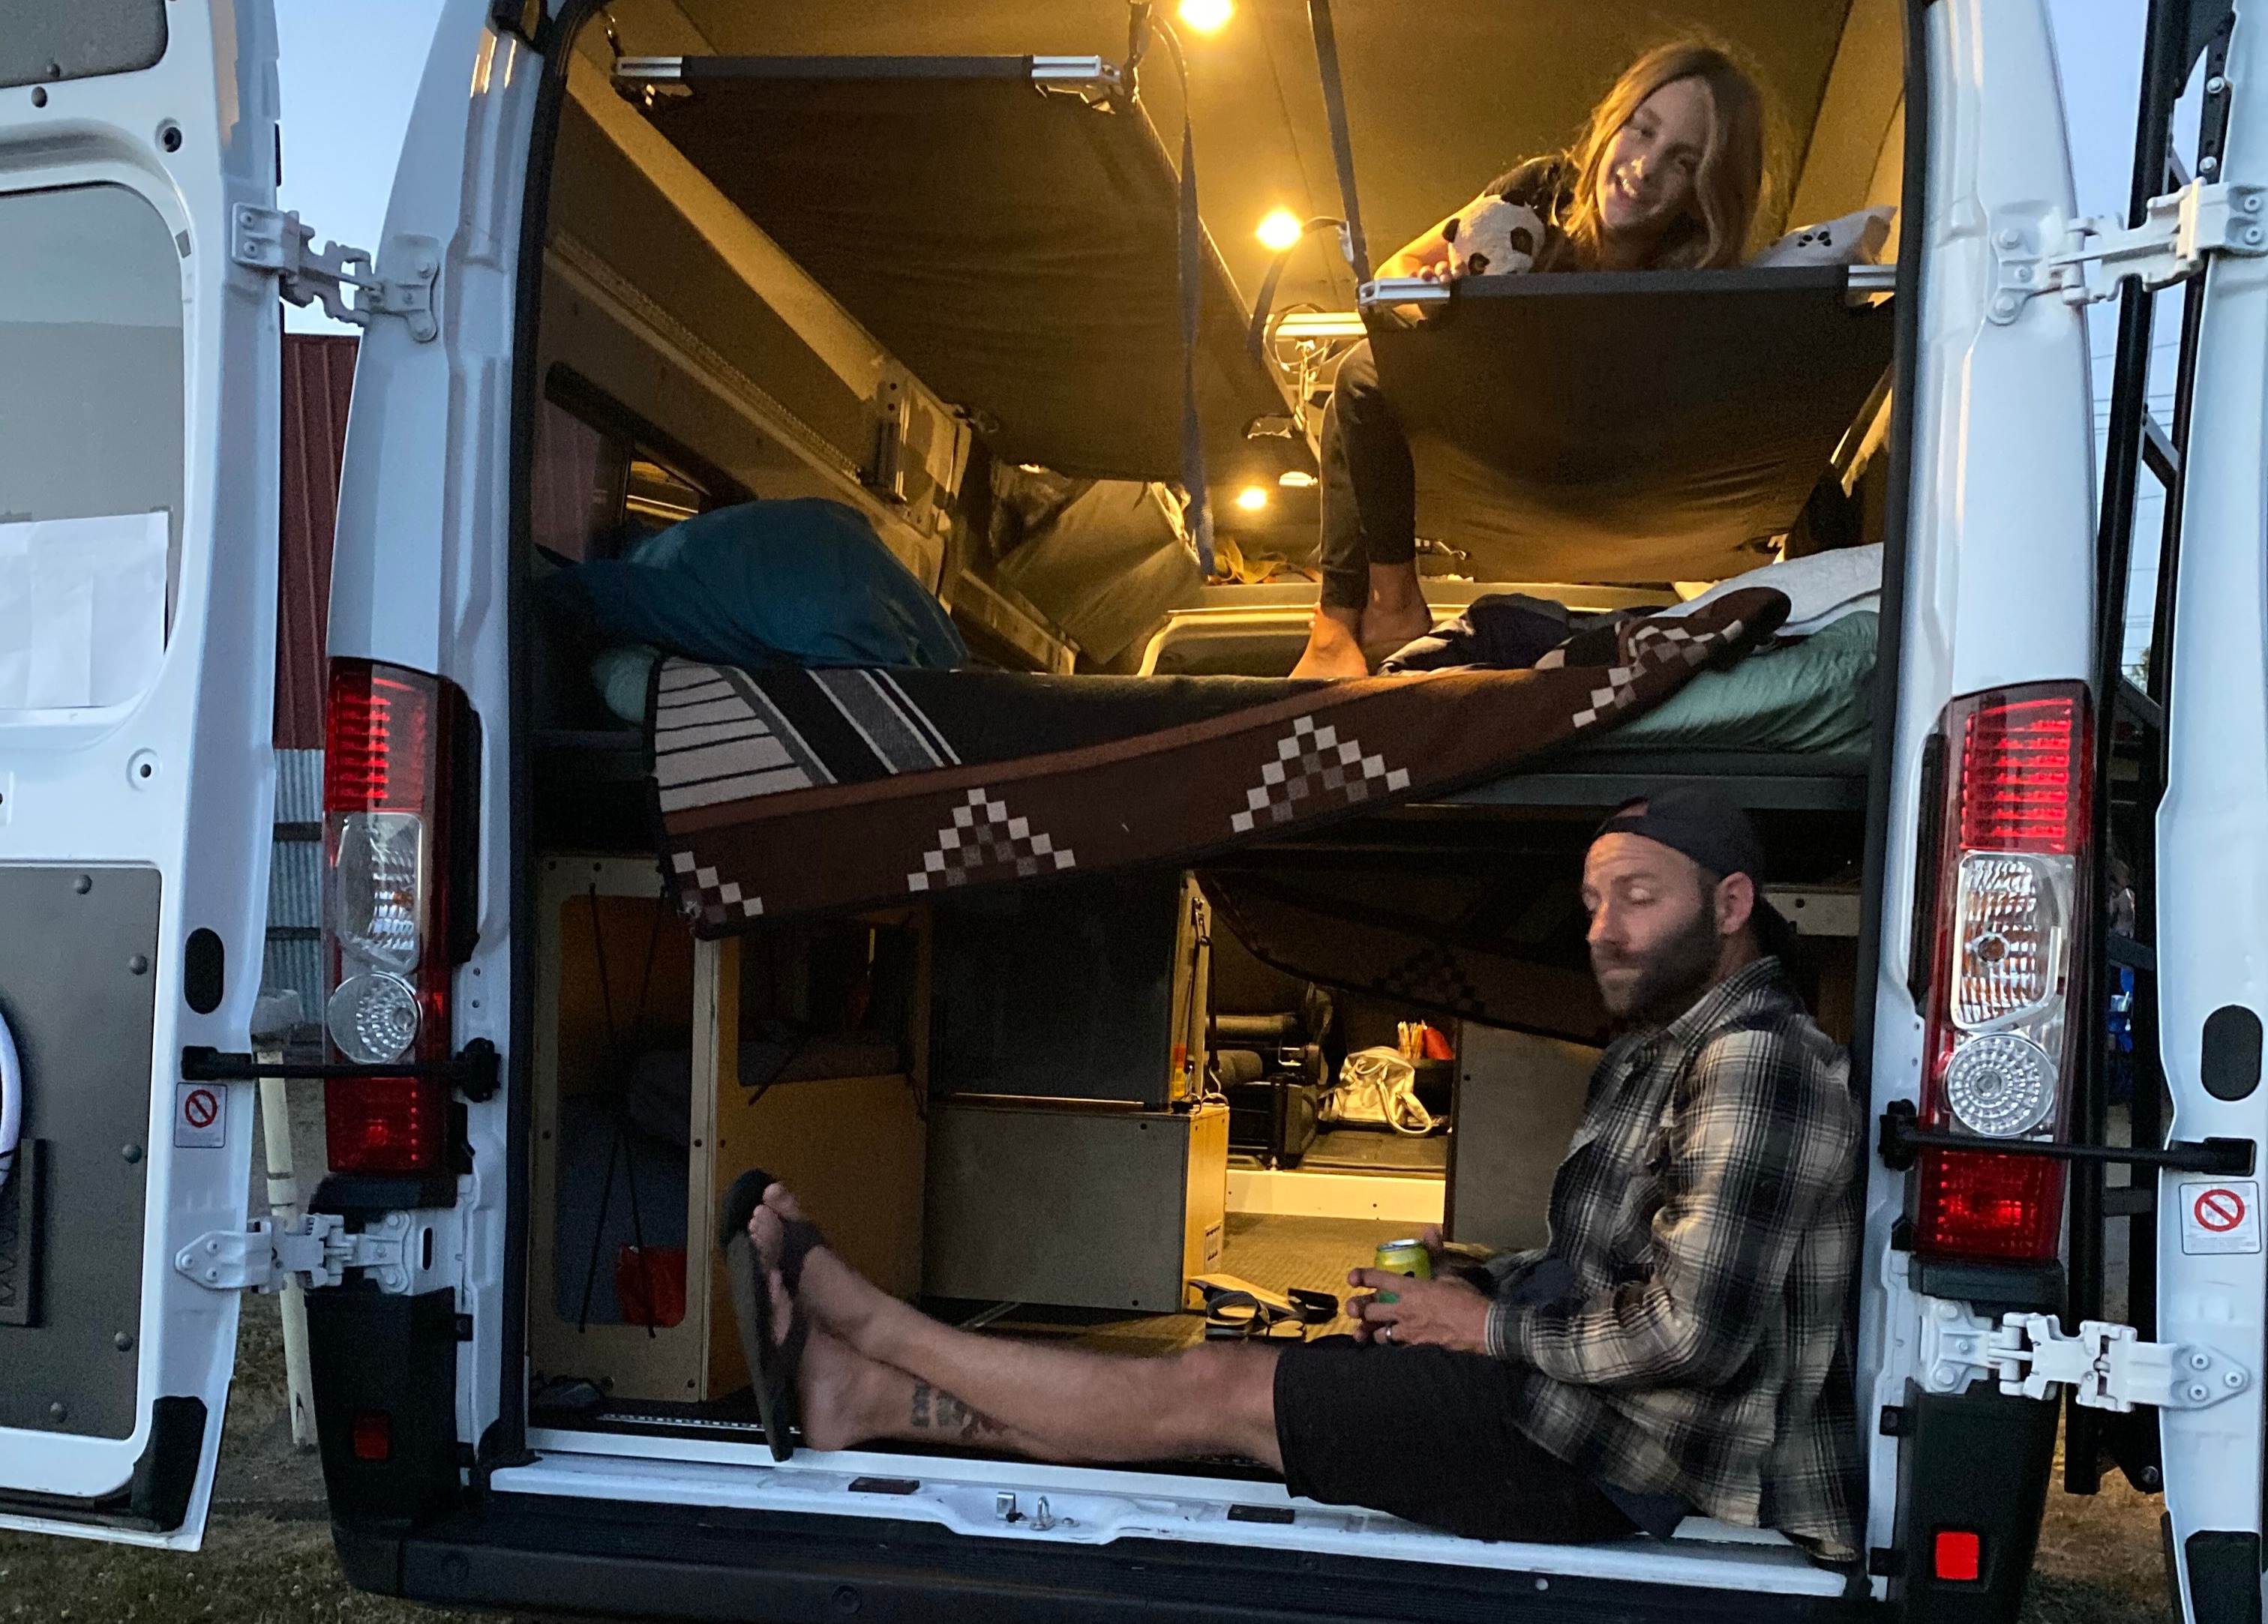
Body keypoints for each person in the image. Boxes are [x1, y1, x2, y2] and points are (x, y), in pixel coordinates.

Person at [736, 783, 1864, 1563]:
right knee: (1232, 1393)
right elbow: (1600, 1262)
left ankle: (877, 1331)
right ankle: (862, 1397)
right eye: (1591, 899)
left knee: (1217, 1389)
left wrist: (1480, 1331)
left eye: (1639, 895)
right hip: (1572, 1401)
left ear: (1729, 905)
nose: (1603, 930)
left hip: (1626, 1461)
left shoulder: (1759, 1061)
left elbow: (1690, 1334)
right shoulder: (1663, 1045)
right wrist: (1472, 1288)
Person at [1290, 41, 1771, 679]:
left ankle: (1364, 618)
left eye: (1682, 162)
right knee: (1361, 371)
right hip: (1501, 411)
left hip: (1602, 451)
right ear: (1614, 121)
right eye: (1641, 130)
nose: (1644, 167)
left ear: (1704, 191)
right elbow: (1395, 274)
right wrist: (1437, 306)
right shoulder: (1540, 195)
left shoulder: (1696, 285)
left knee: (1361, 371)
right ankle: (1364, 613)